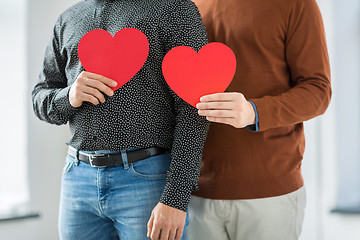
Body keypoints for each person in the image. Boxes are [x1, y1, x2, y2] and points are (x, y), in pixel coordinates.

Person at [31, 0, 209, 239]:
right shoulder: (68, 19)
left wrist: (176, 197)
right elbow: (40, 96)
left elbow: (193, 108)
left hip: (149, 178)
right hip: (77, 178)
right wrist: (69, 96)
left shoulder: (173, 9)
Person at [186, 0, 332, 239]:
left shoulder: (296, 3)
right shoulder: (183, 4)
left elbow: (318, 90)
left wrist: (254, 112)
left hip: (269, 193)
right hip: (192, 193)